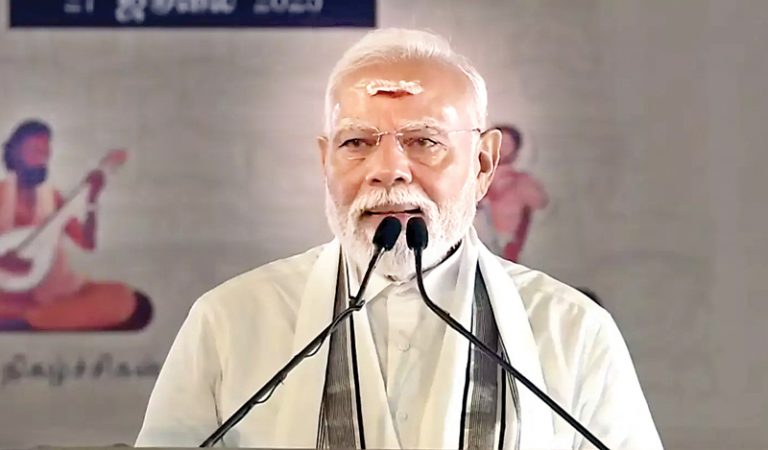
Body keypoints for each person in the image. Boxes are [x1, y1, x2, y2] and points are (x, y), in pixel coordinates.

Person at [136, 29, 662, 449]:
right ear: (325, 161)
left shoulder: (571, 330)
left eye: (424, 141)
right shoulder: (230, 322)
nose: (388, 170)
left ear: (483, 163)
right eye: (356, 143)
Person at [0, 120, 152, 331]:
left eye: (45, 153)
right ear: (14, 152)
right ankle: (38, 317)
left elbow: (87, 243)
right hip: (6, 296)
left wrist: (92, 199)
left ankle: (34, 317)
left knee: (123, 298)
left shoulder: (52, 198)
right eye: (35, 151)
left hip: (53, 295)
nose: (42, 159)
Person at [476, 124, 548, 261]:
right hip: (476, 248)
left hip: (511, 250)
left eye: (507, 144)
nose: (501, 148)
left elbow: (543, 210)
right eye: (499, 142)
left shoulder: (524, 182)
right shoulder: (473, 179)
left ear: (516, 148)